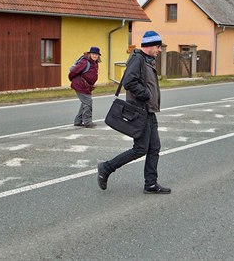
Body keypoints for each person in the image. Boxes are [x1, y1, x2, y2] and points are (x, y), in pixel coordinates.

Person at [97, 31, 170, 194]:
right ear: (151, 46)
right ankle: (106, 168)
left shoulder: (146, 60)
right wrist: (146, 94)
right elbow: (129, 81)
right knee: (140, 149)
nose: (159, 50)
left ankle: (151, 184)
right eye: (158, 47)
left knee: (154, 147)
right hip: (141, 110)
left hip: (149, 111)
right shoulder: (137, 59)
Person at [69, 46, 101, 128]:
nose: (95, 56)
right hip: (80, 85)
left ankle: (78, 121)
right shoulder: (84, 62)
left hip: (86, 86)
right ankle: (87, 122)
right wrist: (73, 80)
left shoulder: (94, 63)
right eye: (93, 54)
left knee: (85, 103)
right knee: (88, 103)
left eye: (97, 55)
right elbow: (73, 72)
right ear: (90, 54)